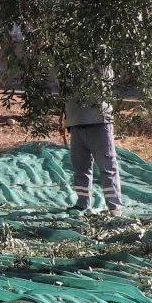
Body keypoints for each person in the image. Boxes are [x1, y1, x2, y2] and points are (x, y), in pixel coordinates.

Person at [64, 72, 124, 213]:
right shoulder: (67, 62)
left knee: (107, 167)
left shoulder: (100, 57)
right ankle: (82, 203)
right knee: (80, 168)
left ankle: (115, 207)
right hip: (76, 124)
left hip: (99, 122)